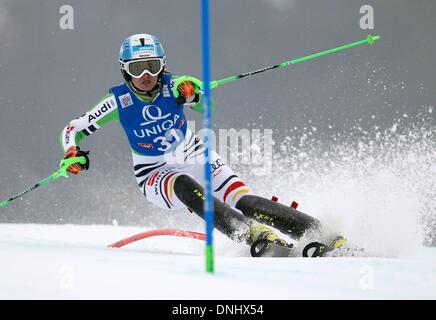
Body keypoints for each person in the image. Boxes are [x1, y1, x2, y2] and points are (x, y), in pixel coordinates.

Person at [60, 34, 344, 256]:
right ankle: (252, 234)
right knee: (182, 183)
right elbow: (74, 128)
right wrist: (71, 151)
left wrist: (193, 94)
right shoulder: (118, 101)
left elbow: (207, 105)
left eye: (152, 66)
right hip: (153, 172)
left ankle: (323, 234)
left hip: (195, 155)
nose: (145, 75)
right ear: (125, 71)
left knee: (245, 200)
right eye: (137, 68)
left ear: (162, 65)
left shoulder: (175, 86)